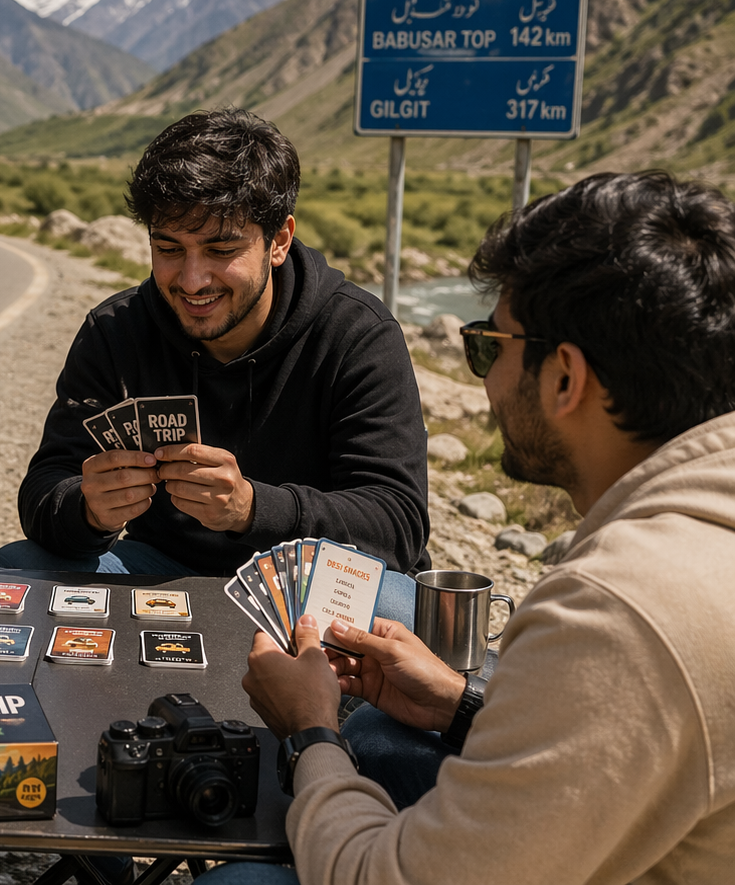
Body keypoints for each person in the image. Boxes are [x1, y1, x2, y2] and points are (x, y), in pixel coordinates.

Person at [216, 171, 735, 885]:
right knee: (390, 737)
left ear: (564, 379)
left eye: (489, 347)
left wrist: (310, 733)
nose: (485, 382)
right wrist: (464, 708)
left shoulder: (616, 609)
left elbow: (385, 878)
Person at [0, 109, 428, 622]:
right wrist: (87, 509)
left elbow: (397, 524)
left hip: (309, 582)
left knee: (403, 608)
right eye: (168, 249)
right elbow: (45, 490)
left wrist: (252, 508)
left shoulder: (357, 335)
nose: (192, 280)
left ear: (280, 241)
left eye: (221, 249)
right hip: (160, 572)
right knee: (16, 567)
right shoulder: (116, 332)